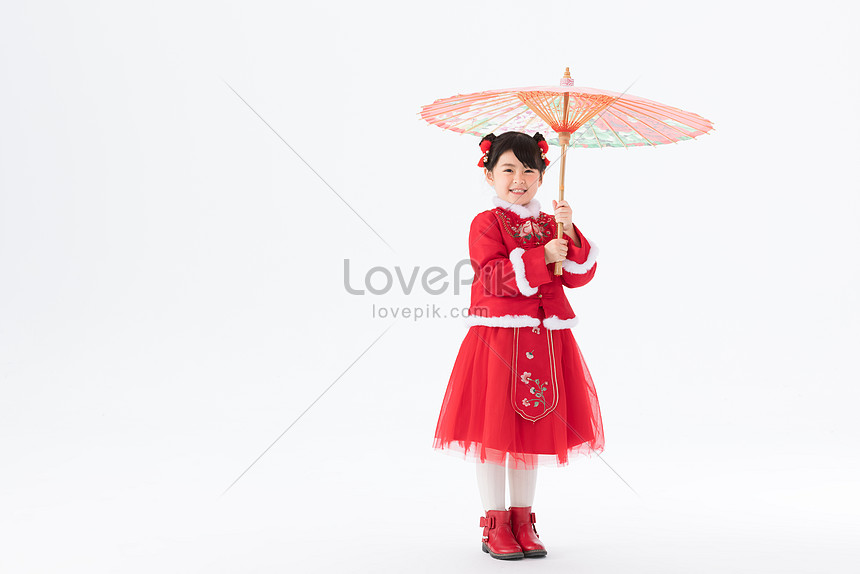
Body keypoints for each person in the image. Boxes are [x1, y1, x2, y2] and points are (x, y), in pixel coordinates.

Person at [432, 131, 605, 560]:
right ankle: (494, 523)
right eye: (508, 169)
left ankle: (524, 519)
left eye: (529, 170)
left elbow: (578, 276)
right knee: (493, 429)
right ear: (489, 174)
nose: (519, 178)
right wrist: (540, 256)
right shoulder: (486, 223)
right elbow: (490, 276)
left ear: (543, 177)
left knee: (530, 430)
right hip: (499, 341)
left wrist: (568, 231)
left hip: (544, 340)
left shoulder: (551, 224)